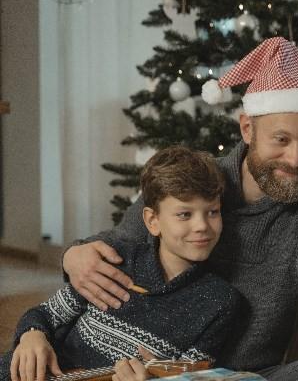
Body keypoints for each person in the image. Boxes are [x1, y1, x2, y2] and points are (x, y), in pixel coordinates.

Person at [60, 37, 298, 380]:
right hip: (166, 370)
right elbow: (123, 242)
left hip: (250, 377)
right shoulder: (192, 181)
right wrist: (75, 254)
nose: (295, 158)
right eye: (281, 139)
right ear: (247, 129)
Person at [0, 146, 242, 381]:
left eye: (212, 212)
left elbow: (191, 376)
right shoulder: (117, 259)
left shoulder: (220, 302)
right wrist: (33, 336)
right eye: (184, 214)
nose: (202, 225)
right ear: (152, 220)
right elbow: (44, 314)